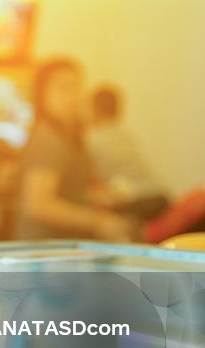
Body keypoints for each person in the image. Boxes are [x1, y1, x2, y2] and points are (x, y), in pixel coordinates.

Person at [15, 58, 135, 241]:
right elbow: (39, 204)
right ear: (42, 94)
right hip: (46, 249)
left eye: (77, 86)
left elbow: (71, 190)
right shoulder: (48, 139)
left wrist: (100, 197)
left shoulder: (71, 136)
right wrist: (99, 222)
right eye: (63, 88)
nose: (73, 95)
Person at [87, 84, 170, 220]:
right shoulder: (125, 134)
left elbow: (90, 179)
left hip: (139, 201)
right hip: (159, 195)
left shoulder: (94, 139)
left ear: (93, 109)